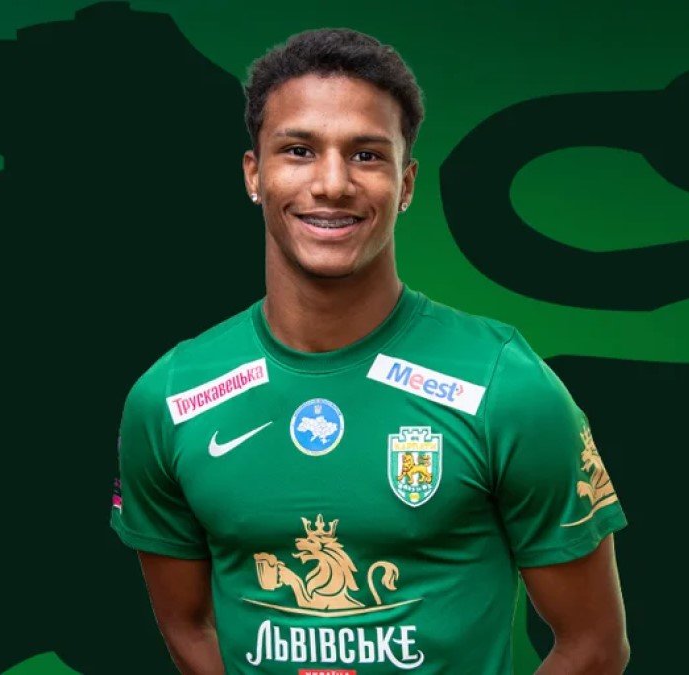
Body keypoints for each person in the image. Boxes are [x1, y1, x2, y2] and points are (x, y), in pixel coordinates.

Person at [110, 27, 629, 674]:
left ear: (405, 184)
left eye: (366, 155)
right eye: (299, 150)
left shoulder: (506, 384)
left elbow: (594, 645)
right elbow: (188, 626)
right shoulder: (170, 397)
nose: (332, 184)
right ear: (254, 174)